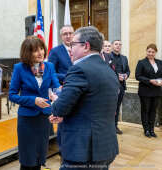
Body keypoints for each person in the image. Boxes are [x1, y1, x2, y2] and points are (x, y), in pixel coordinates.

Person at [50, 26, 119, 170]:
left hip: (82, 151)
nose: (70, 49)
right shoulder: (109, 70)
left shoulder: (79, 69)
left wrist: (56, 99)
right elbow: (92, 105)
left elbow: (60, 108)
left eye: (73, 44)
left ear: (86, 46)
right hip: (105, 147)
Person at [9, 36, 60, 170]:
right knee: (27, 159)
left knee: (39, 156)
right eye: (35, 50)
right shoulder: (19, 68)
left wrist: (58, 95)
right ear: (27, 52)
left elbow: (56, 86)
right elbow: (12, 95)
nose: (40, 53)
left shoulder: (49, 66)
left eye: (42, 49)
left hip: (44, 118)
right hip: (27, 120)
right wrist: (33, 100)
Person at [135, 43, 162, 138]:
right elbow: (138, 76)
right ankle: (146, 129)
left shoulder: (160, 62)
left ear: (156, 52)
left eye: (153, 52)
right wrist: (150, 81)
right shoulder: (141, 62)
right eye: (149, 51)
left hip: (157, 91)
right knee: (145, 110)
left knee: (153, 111)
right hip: (145, 91)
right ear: (146, 51)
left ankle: (151, 129)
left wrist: (160, 81)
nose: (150, 53)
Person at [111, 40, 130, 134]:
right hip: (111, 86)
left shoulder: (124, 58)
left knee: (117, 107)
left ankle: (115, 126)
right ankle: (109, 127)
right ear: (112, 46)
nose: (118, 46)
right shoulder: (108, 57)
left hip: (121, 86)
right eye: (116, 44)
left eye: (120, 44)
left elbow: (128, 70)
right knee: (110, 107)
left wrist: (126, 75)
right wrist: (116, 76)